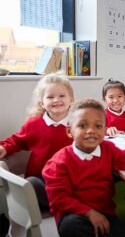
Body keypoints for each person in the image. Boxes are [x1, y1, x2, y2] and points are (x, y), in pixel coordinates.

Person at [42, 99, 125, 237]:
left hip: (105, 212)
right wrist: (89, 213)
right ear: (69, 131)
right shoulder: (58, 162)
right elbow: (59, 199)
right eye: (82, 125)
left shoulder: (108, 149)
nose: (91, 131)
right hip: (74, 215)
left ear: (105, 130)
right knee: (72, 226)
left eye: (98, 126)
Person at [0, 73, 74, 212]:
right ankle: (66, 205)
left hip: (69, 179)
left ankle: (67, 204)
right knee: (31, 184)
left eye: (62, 96)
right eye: (50, 97)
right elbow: (17, 140)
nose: (56, 100)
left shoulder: (78, 123)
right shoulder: (34, 124)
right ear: (42, 103)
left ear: (71, 99)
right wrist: (4, 147)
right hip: (41, 179)